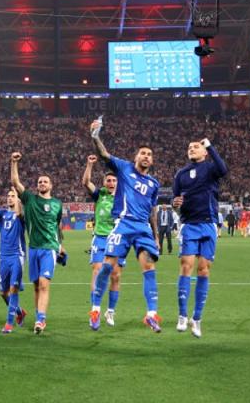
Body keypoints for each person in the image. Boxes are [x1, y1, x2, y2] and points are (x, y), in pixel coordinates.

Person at [90, 118, 163, 333]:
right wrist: (95, 136)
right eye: (143, 153)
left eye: (149, 154)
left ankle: (151, 315)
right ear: (136, 157)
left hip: (143, 228)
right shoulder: (124, 168)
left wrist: (156, 236)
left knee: (149, 267)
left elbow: (152, 210)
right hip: (123, 225)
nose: (146, 156)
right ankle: (95, 310)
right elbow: (104, 155)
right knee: (107, 267)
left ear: (152, 160)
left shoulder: (154, 184)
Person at [172, 138, 228, 338]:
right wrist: (174, 202)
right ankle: (182, 315)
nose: (191, 149)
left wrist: (210, 146)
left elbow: (223, 170)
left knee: (203, 269)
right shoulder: (181, 174)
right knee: (186, 264)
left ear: (204, 152)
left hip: (208, 224)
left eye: (195, 146)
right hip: (189, 224)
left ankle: (197, 319)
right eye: (189, 147)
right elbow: (175, 199)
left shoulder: (211, 168)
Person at [10, 152, 64, 335]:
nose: (42, 184)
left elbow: (57, 226)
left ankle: (41, 320)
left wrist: (61, 245)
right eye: (40, 182)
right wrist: (14, 162)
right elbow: (16, 182)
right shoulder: (29, 199)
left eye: (45, 182)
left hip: (49, 248)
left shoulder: (57, 204)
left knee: (43, 284)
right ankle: (38, 315)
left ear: (51, 185)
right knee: (35, 286)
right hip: (33, 248)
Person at [82, 156, 124, 328]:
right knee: (98, 270)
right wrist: (90, 164)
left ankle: (110, 311)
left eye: (114, 180)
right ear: (104, 182)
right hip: (100, 237)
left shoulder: (124, 196)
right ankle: (95, 311)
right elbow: (86, 182)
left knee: (115, 276)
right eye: (109, 180)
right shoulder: (100, 194)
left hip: (118, 239)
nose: (111, 182)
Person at [0, 184, 27, 334]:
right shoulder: (2, 213)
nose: (10, 198)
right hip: (3, 257)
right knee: (3, 292)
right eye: (8, 196)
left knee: (13, 289)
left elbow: (20, 212)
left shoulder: (21, 215)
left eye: (13, 196)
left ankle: (9, 323)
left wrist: (18, 195)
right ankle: (20, 311)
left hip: (17, 256)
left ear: (18, 199)